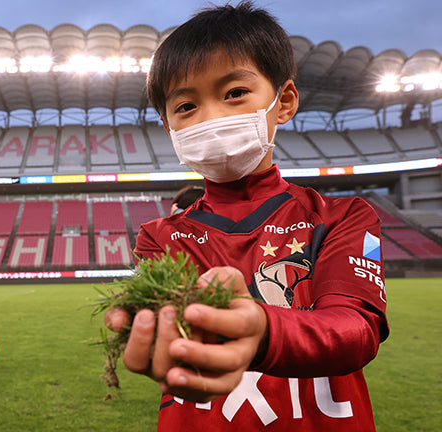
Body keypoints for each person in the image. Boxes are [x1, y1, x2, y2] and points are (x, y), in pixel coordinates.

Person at [104, 2, 389, 430]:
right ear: (168, 128)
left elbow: (357, 328)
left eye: (234, 93)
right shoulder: (158, 237)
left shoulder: (344, 215)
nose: (212, 117)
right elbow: (170, 335)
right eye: (186, 107)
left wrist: (264, 331)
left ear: (284, 101)